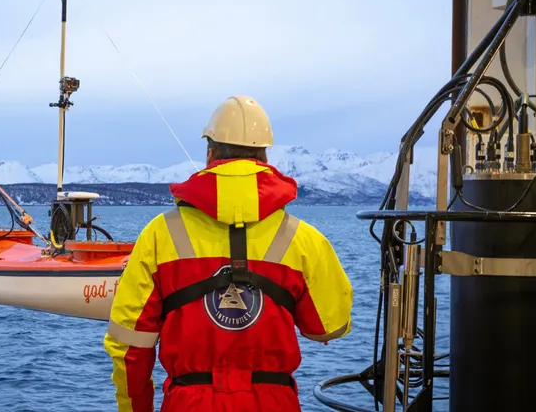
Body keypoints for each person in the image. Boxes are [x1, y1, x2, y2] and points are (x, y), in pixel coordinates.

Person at [103, 95, 353, 412]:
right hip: (274, 404)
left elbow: (128, 345)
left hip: (188, 403)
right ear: (264, 156)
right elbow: (330, 327)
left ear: (211, 153)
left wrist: (135, 407)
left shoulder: (160, 233)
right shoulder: (303, 238)